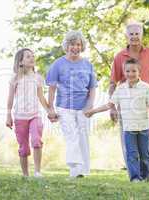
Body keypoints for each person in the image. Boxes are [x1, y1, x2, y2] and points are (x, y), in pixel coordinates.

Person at [85, 58, 149, 182]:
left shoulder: (146, 87)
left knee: (145, 155)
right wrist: (92, 111)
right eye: (127, 71)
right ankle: (135, 178)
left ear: (139, 71)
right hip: (128, 128)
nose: (131, 74)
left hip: (143, 127)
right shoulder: (121, 89)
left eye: (134, 71)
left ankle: (146, 177)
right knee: (131, 154)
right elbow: (109, 105)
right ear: (124, 72)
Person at [109, 22, 149, 181]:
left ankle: (148, 174)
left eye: (137, 33)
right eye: (131, 34)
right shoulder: (119, 57)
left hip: (147, 104)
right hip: (127, 106)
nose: (134, 37)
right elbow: (113, 82)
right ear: (127, 36)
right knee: (129, 144)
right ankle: (135, 176)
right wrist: (113, 108)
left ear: (142, 35)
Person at [46, 30, 97, 178]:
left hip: (83, 107)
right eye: (72, 44)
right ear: (66, 46)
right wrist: (50, 109)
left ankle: (84, 171)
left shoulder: (88, 65)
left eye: (78, 44)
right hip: (64, 107)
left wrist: (90, 105)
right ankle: (75, 171)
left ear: (82, 46)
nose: (75, 47)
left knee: (83, 137)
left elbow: (92, 88)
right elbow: (52, 88)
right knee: (72, 136)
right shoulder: (58, 64)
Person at [6, 48, 49, 177]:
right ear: (20, 62)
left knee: (36, 140)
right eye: (28, 56)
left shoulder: (38, 78)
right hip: (19, 117)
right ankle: (25, 174)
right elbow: (10, 98)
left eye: (32, 56)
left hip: (35, 115)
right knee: (24, 147)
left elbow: (41, 97)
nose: (32, 58)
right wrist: (8, 115)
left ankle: (37, 172)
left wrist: (49, 111)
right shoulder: (15, 78)